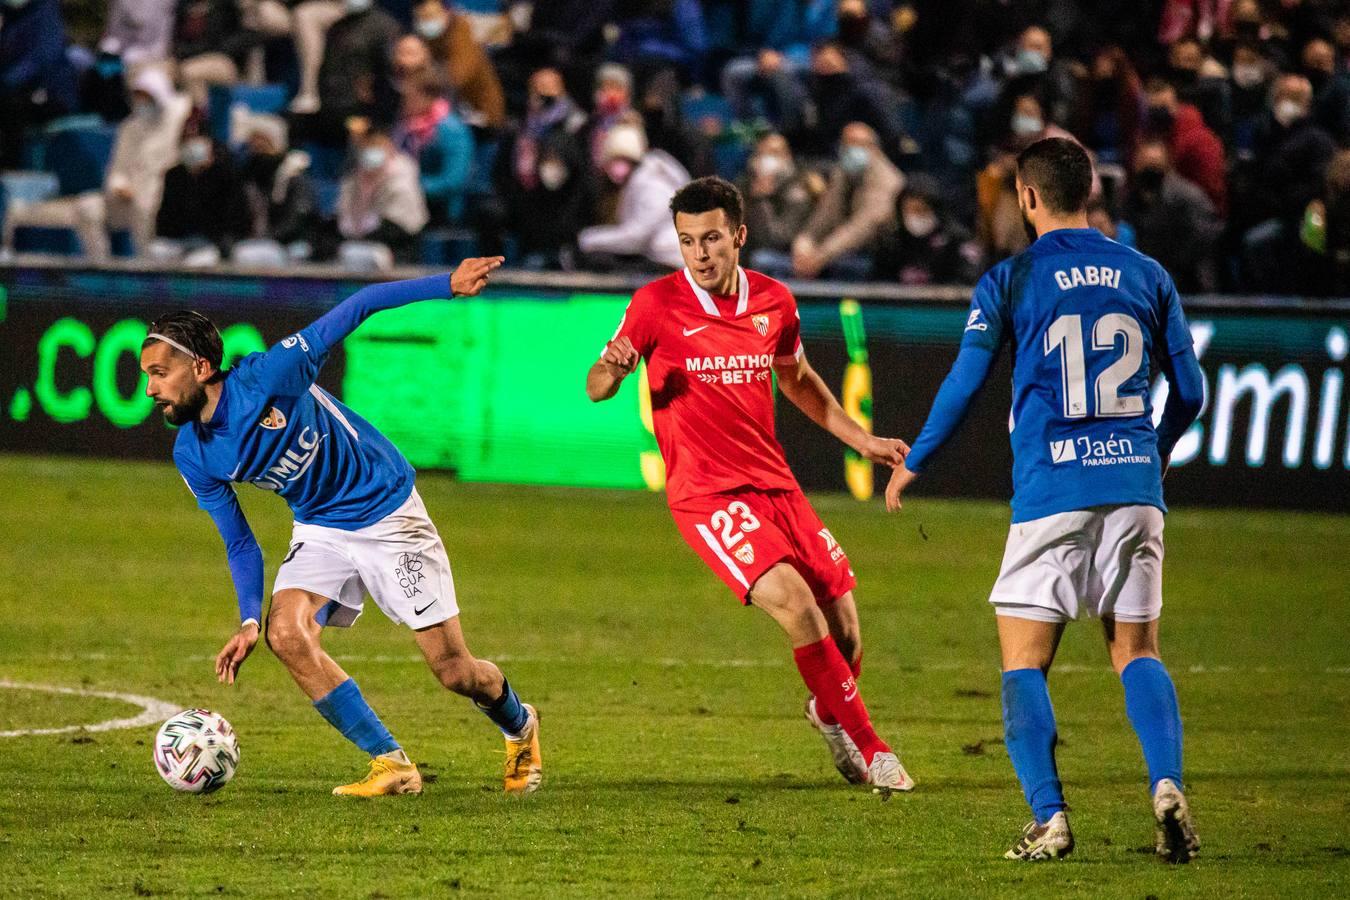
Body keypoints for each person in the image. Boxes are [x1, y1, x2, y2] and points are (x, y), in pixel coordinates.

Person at [884, 138, 1205, 861]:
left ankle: (1051, 819)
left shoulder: (1012, 279)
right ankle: (1165, 784)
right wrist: (1152, 450)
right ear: (1088, 192)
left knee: (1023, 662)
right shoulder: (1147, 274)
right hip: (1133, 488)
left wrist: (918, 461)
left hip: (1051, 490)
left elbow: (965, 384)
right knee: (1136, 649)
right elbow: (1190, 393)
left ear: (1027, 198)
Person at [138, 260, 545, 798]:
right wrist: (246, 620)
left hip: (388, 512)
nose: (149, 389)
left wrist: (445, 284)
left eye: (159, 373)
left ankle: (520, 724)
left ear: (203, 367)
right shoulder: (193, 452)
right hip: (320, 527)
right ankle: (391, 762)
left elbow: (360, 305)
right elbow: (238, 540)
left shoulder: (269, 377)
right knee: (286, 633)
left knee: (454, 672)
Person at [585, 176, 915, 794]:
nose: (700, 254)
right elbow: (597, 385)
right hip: (707, 495)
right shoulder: (655, 304)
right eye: (687, 242)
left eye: (711, 239)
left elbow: (798, 379)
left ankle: (826, 710)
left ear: (738, 236)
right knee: (797, 605)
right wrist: (614, 367)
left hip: (775, 484)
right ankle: (874, 751)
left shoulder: (774, 301)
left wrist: (862, 440)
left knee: (843, 622)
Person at [791, 122, 904, 279]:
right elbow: (827, 211)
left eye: (859, 144)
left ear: (875, 148)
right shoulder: (844, 171)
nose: (852, 149)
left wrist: (821, 255)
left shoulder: (886, 180)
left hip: (877, 254)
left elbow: (863, 226)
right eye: (847, 144)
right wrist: (805, 240)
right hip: (843, 250)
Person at [576, 123, 689, 271]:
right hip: (659, 256)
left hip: (670, 261)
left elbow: (636, 237)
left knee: (599, 260)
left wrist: (590, 239)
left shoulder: (653, 185)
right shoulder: (640, 181)